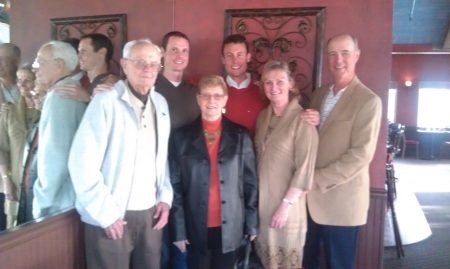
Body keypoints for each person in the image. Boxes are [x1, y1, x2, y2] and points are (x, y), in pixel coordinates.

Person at [68, 38, 172, 269]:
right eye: (140, 62)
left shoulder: (161, 104)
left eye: (154, 64)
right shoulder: (105, 102)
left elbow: (160, 156)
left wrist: (165, 197)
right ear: (125, 65)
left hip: (150, 214)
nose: (148, 69)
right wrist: (105, 214)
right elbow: (81, 164)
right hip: (112, 214)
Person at [302, 34, 382, 269]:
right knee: (308, 263)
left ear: (357, 55)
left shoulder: (369, 101)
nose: (339, 59)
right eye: (333, 54)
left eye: (345, 53)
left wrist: (316, 179)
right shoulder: (319, 94)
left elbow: (361, 155)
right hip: (309, 202)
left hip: (342, 204)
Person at [169, 75, 258, 269]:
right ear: (198, 99)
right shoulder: (181, 137)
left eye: (217, 96)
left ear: (225, 99)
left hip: (231, 225)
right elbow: (174, 187)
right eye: (206, 95)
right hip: (194, 225)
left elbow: (250, 183)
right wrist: (179, 230)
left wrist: (251, 222)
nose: (211, 101)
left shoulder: (241, 135)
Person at [253, 60, 318, 269]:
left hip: (287, 210)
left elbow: (305, 169)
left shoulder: (303, 121)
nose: (274, 87)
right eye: (268, 82)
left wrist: (285, 206)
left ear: (291, 83)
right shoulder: (263, 117)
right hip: (263, 208)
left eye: (280, 81)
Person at [156, 31, 200, 269]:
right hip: (154, 181)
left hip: (186, 180)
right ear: (162, 52)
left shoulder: (194, 92)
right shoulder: (148, 86)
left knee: (183, 246)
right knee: (159, 250)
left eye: (184, 50)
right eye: (174, 49)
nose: (179, 55)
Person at [32, 40, 87, 219]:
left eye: (40, 62)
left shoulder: (61, 94)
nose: (35, 69)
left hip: (59, 201)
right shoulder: (68, 89)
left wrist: (42, 201)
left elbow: (56, 155)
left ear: (58, 65)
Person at [0, 63, 41, 228]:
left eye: (27, 80)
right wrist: (6, 179)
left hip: (38, 183)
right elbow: (1, 148)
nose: (22, 85)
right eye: (19, 80)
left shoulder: (47, 109)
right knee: (14, 231)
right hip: (15, 181)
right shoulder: (8, 112)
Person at [54, 33, 119, 102]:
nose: (78, 56)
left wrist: (88, 98)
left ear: (101, 52)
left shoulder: (112, 84)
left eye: (83, 52)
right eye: (78, 52)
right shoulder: (81, 82)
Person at [221, 34, 266, 134]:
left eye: (239, 54)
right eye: (229, 55)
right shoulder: (216, 91)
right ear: (223, 59)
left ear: (248, 57)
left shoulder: (264, 90)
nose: (235, 61)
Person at [17, 83, 47, 225]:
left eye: (40, 93)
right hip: (28, 194)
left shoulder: (51, 124)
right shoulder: (37, 123)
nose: (35, 97)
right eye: (35, 92)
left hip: (42, 201)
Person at [0, 43, 21, 231]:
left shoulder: (29, 86)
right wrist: (6, 179)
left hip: (24, 170)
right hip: (2, 175)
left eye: (3, 59)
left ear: (16, 62)